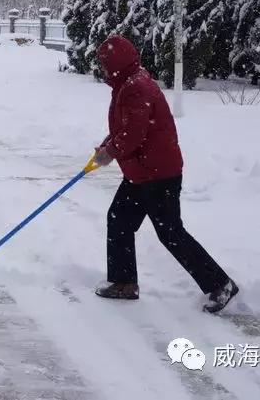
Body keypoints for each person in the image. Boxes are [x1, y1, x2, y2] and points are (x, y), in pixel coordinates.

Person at [92, 34, 238, 314]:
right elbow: (126, 127)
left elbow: (134, 133)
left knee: (171, 233)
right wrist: (107, 145)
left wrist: (110, 151)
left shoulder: (136, 87)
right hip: (142, 173)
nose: (102, 69)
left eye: (104, 63)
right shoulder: (130, 83)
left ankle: (221, 284)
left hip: (157, 175)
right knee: (119, 219)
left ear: (116, 62)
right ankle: (124, 283)